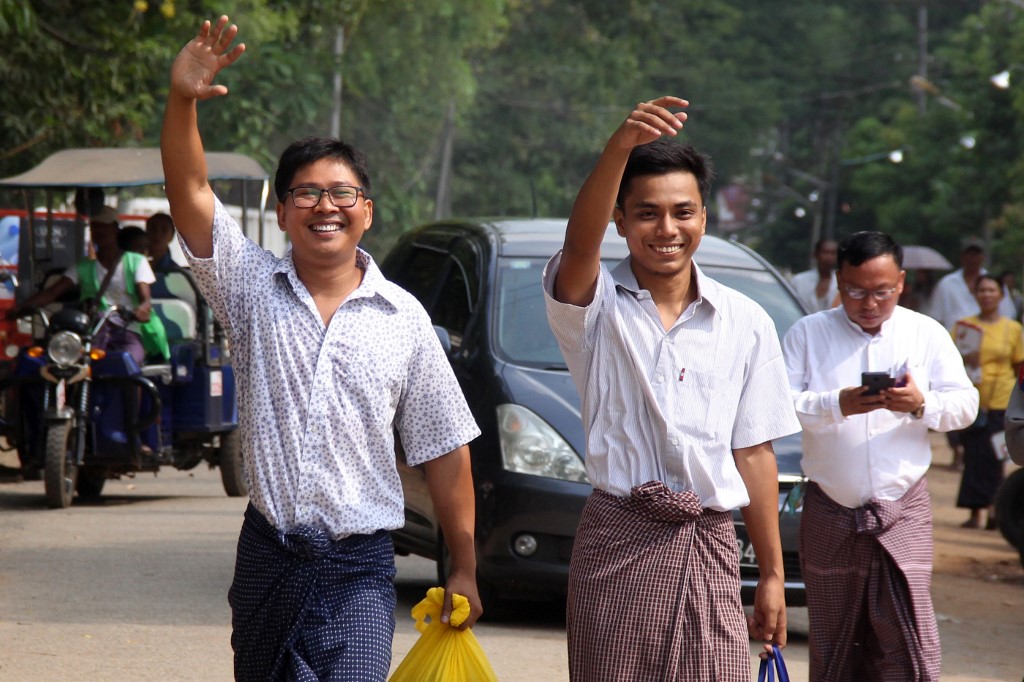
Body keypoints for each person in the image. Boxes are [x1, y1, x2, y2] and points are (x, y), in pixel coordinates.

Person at [162, 17, 482, 681]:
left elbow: (447, 449)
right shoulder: (250, 287)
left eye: (341, 193)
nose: (324, 205)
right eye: (306, 192)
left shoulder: (404, 319)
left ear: (366, 210)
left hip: (360, 569)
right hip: (268, 557)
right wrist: (183, 100)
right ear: (282, 212)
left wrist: (466, 567)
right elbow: (191, 194)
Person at [543, 97, 800, 680]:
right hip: (616, 544)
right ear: (620, 220)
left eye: (683, 212)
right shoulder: (592, 309)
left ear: (705, 218)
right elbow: (579, 247)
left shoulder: (746, 321)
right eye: (647, 214)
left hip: (710, 545)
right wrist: (618, 148)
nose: (667, 230)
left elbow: (754, 453)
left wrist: (773, 576)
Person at [783, 231, 978, 681]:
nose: (869, 303)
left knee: (907, 633)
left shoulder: (925, 332)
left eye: (881, 292)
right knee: (834, 638)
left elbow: (965, 405)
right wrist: (838, 403)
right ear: (837, 281)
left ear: (902, 283)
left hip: (902, 507)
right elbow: (779, 405)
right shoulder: (808, 333)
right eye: (855, 291)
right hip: (830, 506)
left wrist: (921, 403)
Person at [5, 205, 169, 365]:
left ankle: (134, 392)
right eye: (95, 227)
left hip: (129, 329)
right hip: (94, 331)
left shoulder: (136, 261)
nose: (100, 231)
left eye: (104, 226)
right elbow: (52, 293)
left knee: (129, 362)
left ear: (115, 229)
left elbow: (145, 299)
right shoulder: (83, 266)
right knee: (71, 363)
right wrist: (22, 307)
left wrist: (141, 309)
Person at [953, 274, 1023, 530]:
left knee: (997, 457)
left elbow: (1019, 365)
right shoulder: (964, 327)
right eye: (982, 290)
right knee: (974, 455)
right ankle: (975, 511)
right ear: (975, 295)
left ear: (1001, 295)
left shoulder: (1013, 329)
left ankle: (996, 508)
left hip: (1003, 400)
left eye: (992, 290)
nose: (986, 295)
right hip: (972, 400)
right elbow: (951, 362)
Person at [929, 237, 1016, 330]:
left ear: (983, 257)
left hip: (991, 339)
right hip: (954, 339)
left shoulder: (995, 283)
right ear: (962, 256)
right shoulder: (946, 284)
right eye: (969, 254)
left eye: (976, 254)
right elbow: (936, 318)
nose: (972, 258)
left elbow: (1008, 313)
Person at [789, 238, 838, 313]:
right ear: (816, 254)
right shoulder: (799, 281)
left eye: (833, 253)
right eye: (825, 252)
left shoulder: (842, 282)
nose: (829, 257)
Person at [145, 212, 179, 299]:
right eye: (153, 229)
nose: (157, 234)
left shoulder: (177, 273)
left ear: (172, 236)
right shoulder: (135, 265)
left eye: (164, 230)